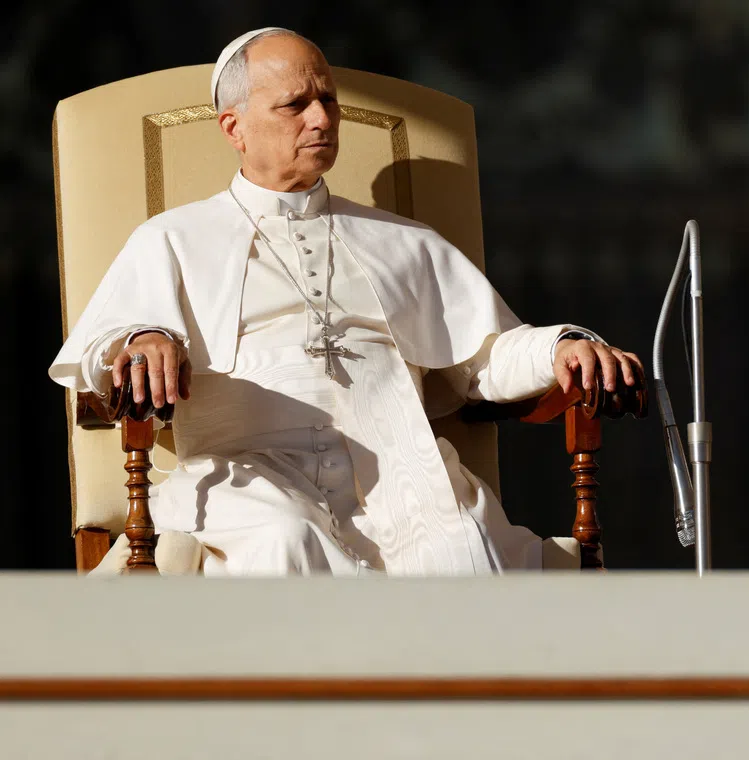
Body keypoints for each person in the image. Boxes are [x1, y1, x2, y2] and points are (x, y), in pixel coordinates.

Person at [49, 28, 641, 576]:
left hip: (400, 470)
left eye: (327, 101)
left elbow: (485, 355)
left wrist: (562, 348)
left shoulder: (406, 242)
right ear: (234, 127)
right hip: (246, 474)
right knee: (284, 540)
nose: (321, 119)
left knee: (458, 547)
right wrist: (142, 340)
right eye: (294, 105)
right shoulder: (172, 238)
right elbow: (110, 348)